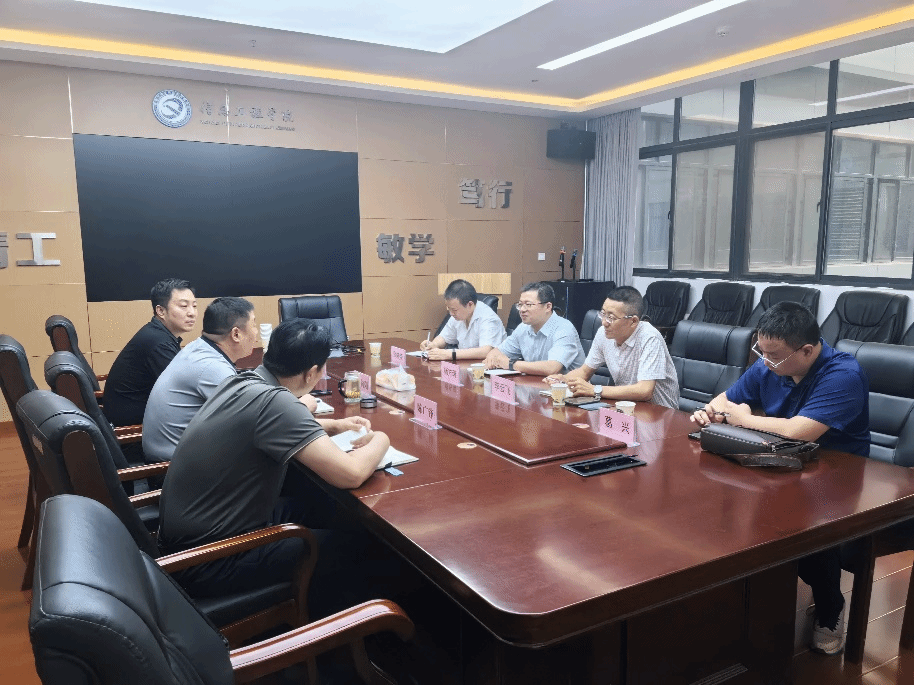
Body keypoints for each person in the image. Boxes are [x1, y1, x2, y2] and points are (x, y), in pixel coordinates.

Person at [156, 318, 390, 605]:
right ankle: (343, 621)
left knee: (323, 507)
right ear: (312, 373)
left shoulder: (244, 380)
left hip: (195, 535)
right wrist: (381, 438)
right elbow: (351, 474)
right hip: (209, 560)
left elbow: (269, 425)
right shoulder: (276, 403)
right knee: (355, 548)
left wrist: (332, 426)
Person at [691, 301, 870, 655]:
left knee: (804, 527)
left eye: (773, 355)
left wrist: (744, 419)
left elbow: (799, 431)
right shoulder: (770, 364)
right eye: (762, 351)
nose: (765, 361)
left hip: (837, 475)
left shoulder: (843, 374)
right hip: (782, 464)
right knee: (730, 507)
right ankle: (755, 606)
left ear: (807, 350)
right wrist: (712, 412)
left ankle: (831, 608)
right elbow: (726, 400)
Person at [143, 297, 270, 463]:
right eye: (253, 324)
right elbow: (254, 421)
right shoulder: (212, 367)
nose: (256, 332)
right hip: (173, 467)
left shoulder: (198, 347)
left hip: (176, 454)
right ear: (236, 334)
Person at [545, 286, 679, 409]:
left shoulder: (650, 338)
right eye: (603, 314)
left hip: (659, 413)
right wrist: (563, 380)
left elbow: (645, 391)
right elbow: (585, 372)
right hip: (625, 407)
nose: (604, 322)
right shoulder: (603, 334)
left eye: (611, 317)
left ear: (633, 321)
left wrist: (595, 390)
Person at [102, 278, 197, 427]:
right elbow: (184, 392)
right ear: (161, 311)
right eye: (184, 306)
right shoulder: (159, 343)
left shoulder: (157, 333)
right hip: (132, 428)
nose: (192, 313)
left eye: (194, 306)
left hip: (134, 415)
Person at [483, 282, 585, 376]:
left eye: (528, 305)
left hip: (568, 388)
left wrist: (511, 364)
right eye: (520, 305)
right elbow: (498, 352)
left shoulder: (564, 329)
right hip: (536, 385)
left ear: (548, 307)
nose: (522, 310)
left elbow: (552, 368)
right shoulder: (523, 328)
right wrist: (492, 358)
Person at [419, 279, 506, 361]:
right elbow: (444, 337)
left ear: (470, 305)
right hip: (466, 365)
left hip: (487, 368)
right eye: (449, 309)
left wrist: (450, 354)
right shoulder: (458, 315)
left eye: (454, 310)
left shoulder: (488, 318)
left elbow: (486, 351)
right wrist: (433, 345)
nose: (451, 313)